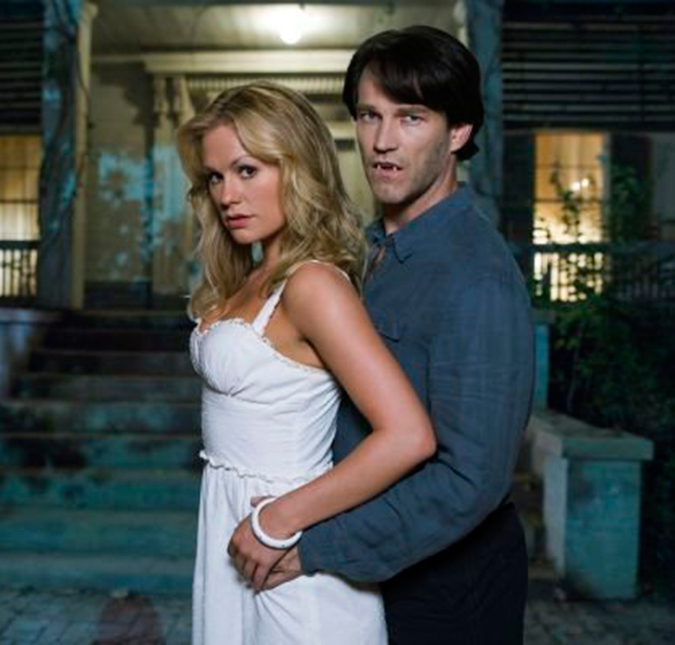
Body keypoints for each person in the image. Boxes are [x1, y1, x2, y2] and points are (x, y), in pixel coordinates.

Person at [231, 26, 535, 645]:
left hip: (445, 588)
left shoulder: (476, 276)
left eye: (411, 117)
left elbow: (468, 480)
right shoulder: (363, 254)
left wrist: (314, 545)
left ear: (458, 132)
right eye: (370, 115)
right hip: (360, 573)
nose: (383, 140)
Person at [177, 82, 437, 644]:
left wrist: (277, 521)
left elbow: (408, 436)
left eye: (247, 170)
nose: (227, 195)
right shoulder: (251, 276)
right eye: (215, 177)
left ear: (296, 167)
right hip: (232, 532)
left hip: (285, 548)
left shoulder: (313, 284)